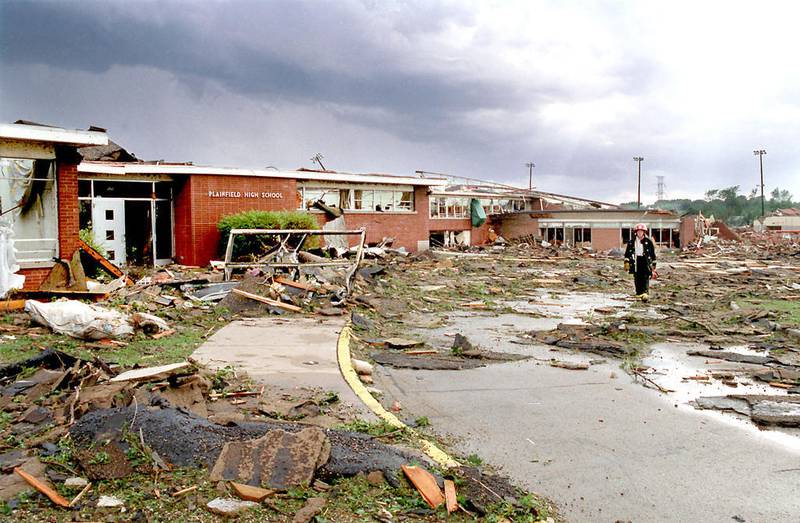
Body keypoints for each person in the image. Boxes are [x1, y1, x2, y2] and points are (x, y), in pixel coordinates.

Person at [624, 223, 658, 301]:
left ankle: (645, 293)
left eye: (641, 231)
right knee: (637, 276)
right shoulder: (631, 242)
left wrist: (654, 266)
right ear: (636, 232)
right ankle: (638, 293)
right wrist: (626, 262)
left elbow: (652, 254)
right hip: (635, 260)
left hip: (645, 260)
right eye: (638, 231)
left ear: (644, 232)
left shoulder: (648, 242)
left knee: (645, 276)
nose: (640, 233)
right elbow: (627, 253)